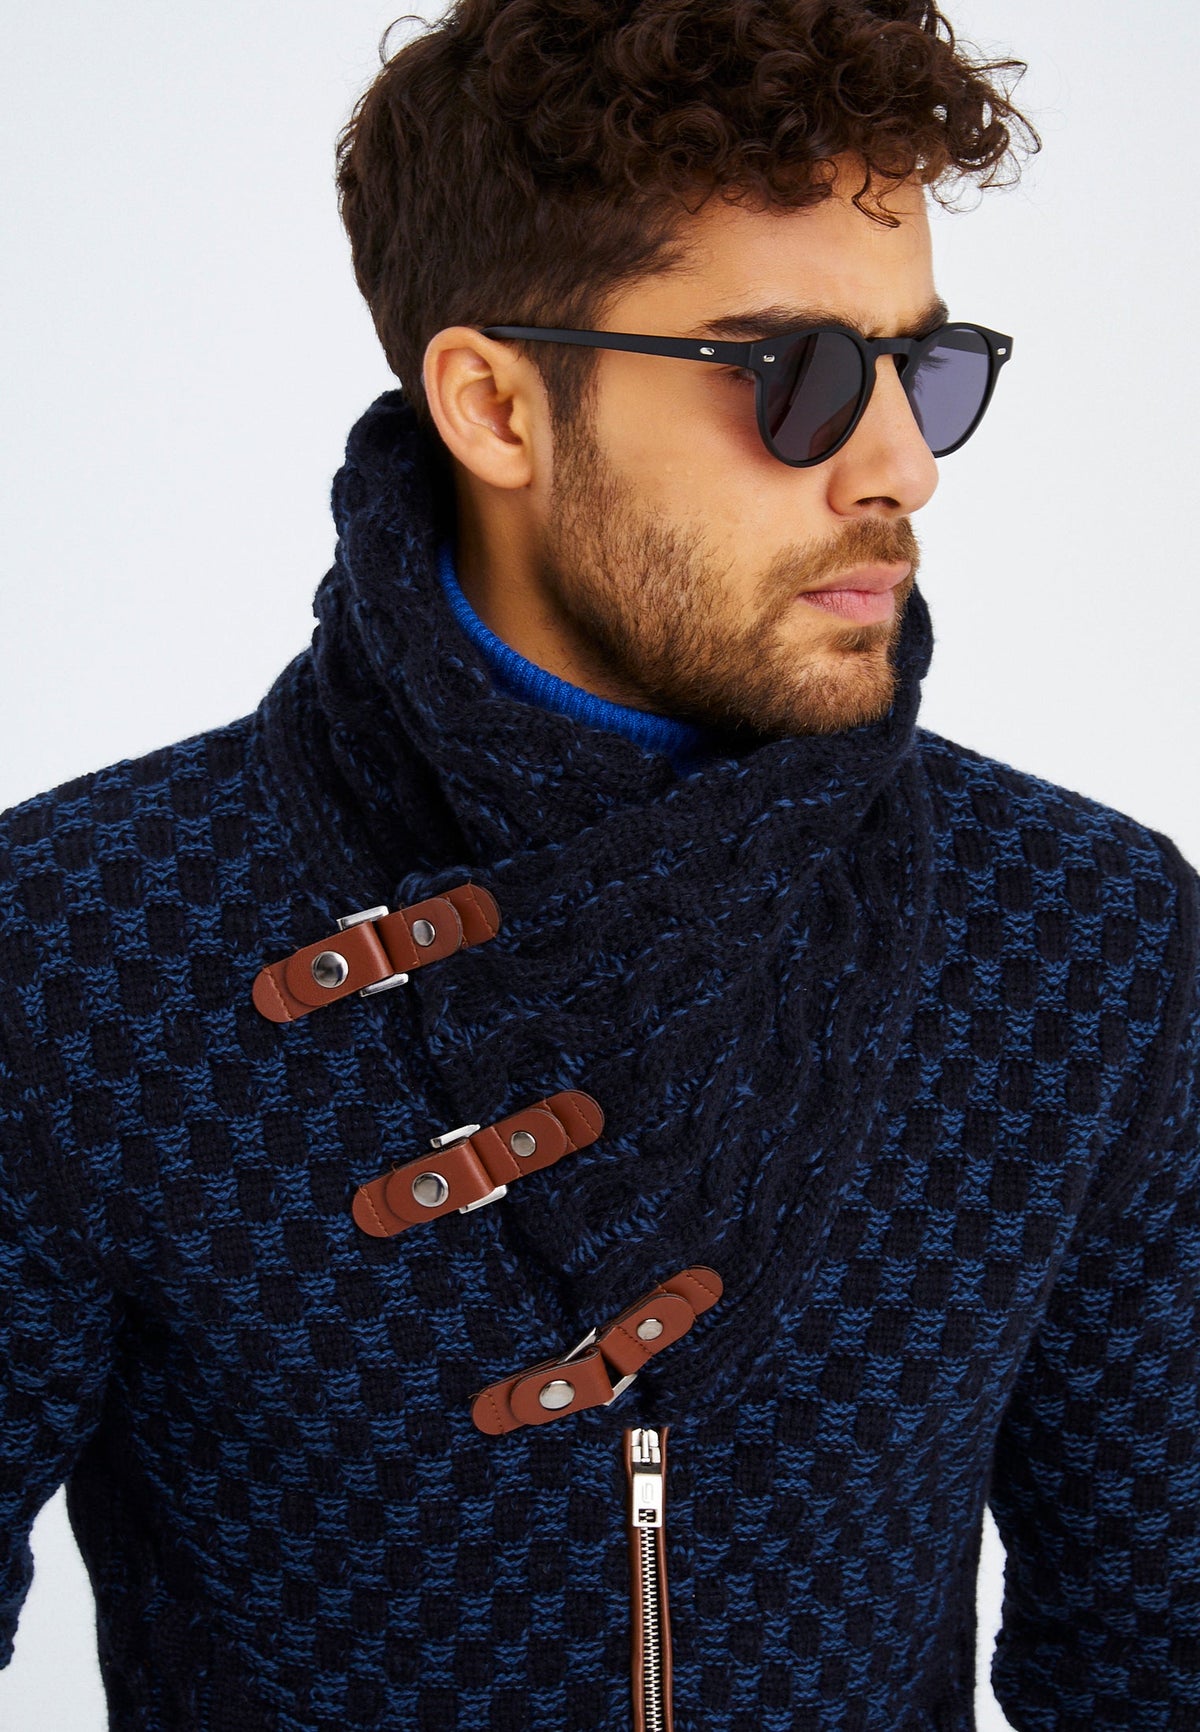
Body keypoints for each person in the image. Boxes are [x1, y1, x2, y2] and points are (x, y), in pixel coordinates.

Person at [1, 2, 1196, 1728]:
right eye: (796, 377)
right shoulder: (81, 947)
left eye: (926, 369)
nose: (903, 467)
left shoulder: (1083, 939)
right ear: (495, 405)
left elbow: (1163, 1659)